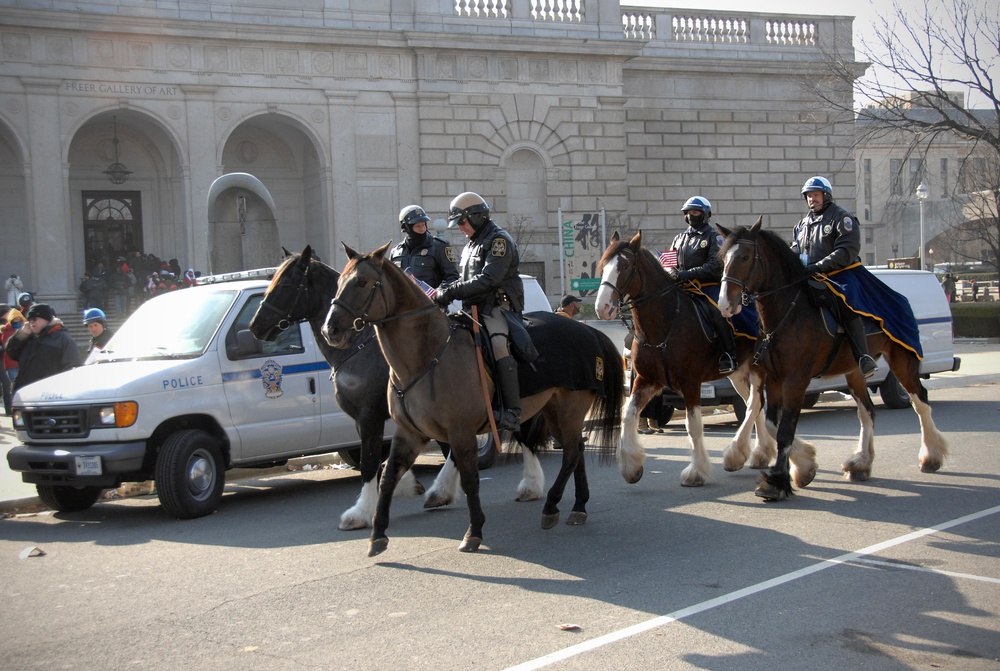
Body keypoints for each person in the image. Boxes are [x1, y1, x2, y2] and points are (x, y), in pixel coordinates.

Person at [433, 192, 524, 431]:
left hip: (497, 308)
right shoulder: (470, 245)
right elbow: (462, 279)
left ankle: (512, 411)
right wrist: (443, 289)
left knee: (498, 345)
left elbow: (489, 280)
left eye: (462, 222)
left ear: (476, 216)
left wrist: (451, 292)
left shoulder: (498, 241)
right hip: (471, 310)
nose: (460, 228)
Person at [792, 175, 878, 378]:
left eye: (816, 195)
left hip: (839, 274)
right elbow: (795, 250)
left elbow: (846, 250)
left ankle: (863, 356)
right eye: (809, 196)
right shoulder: (802, 225)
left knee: (844, 303)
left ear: (826, 195)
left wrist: (818, 267)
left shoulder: (842, 218)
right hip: (810, 275)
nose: (812, 199)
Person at [664, 196, 737, 374]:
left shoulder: (714, 237)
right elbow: (668, 261)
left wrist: (686, 274)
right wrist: (669, 271)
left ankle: (729, 355)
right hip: (682, 287)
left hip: (706, 287)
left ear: (705, 214)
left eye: (695, 212)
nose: (691, 216)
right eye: (688, 213)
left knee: (717, 314)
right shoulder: (679, 237)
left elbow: (715, 266)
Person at [11, 303, 79, 394]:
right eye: (29, 320)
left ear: (47, 320)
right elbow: (11, 353)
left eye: (35, 319)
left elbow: (71, 368)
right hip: (25, 393)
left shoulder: (62, 339)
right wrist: (22, 334)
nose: (31, 323)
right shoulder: (28, 337)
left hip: (50, 395)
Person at [389, 205, 460, 290]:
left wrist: (438, 294)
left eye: (423, 225)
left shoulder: (439, 246)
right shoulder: (396, 251)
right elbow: (389, 280)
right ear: (407, 227)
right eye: (418, 226)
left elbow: (453, 278)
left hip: (432, 301)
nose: (422, 229)